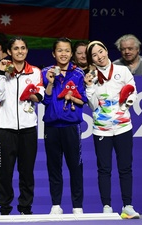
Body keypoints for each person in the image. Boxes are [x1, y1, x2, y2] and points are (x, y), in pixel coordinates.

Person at [84, 40, 140, 219]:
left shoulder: (122, 71)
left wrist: (125, 107)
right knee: (104, 169)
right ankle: (106, 207)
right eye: (94, 55)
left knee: (125, 168)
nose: (99, 56)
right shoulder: (91, 77)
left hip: (123, 127)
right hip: (102, 130)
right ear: (91, 59)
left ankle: (128, 206)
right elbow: (92, 106)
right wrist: (90, 86)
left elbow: (132, 91)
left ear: (106, 51)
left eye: (101, 51)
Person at [0, 36, 44, 215]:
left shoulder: (35, 72)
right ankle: (5, 209)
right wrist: (1, 74)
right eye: (16, 48)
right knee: (5, 173)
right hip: (5, 129)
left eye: (23, 48)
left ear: (27, 51)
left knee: (27, 172)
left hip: (28, 128)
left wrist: (34, 95)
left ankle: (25, 208)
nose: (20, 51)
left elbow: (40, 95)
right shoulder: (0, 71)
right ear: (9, 51)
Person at [41, 37, 88, 215]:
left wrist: (71, 96)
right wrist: (51, 82)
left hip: (71, 126)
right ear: (54, 53)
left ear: (72, 54)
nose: (63, 54)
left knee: (75, 166)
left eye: (67, 50)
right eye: (60, 50)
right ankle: (56, 205)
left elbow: (83, 100)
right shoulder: (46, 72)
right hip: (52, 126)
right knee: (54, 166)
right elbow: (45, 100)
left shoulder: (78, 74)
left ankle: (77, 206)